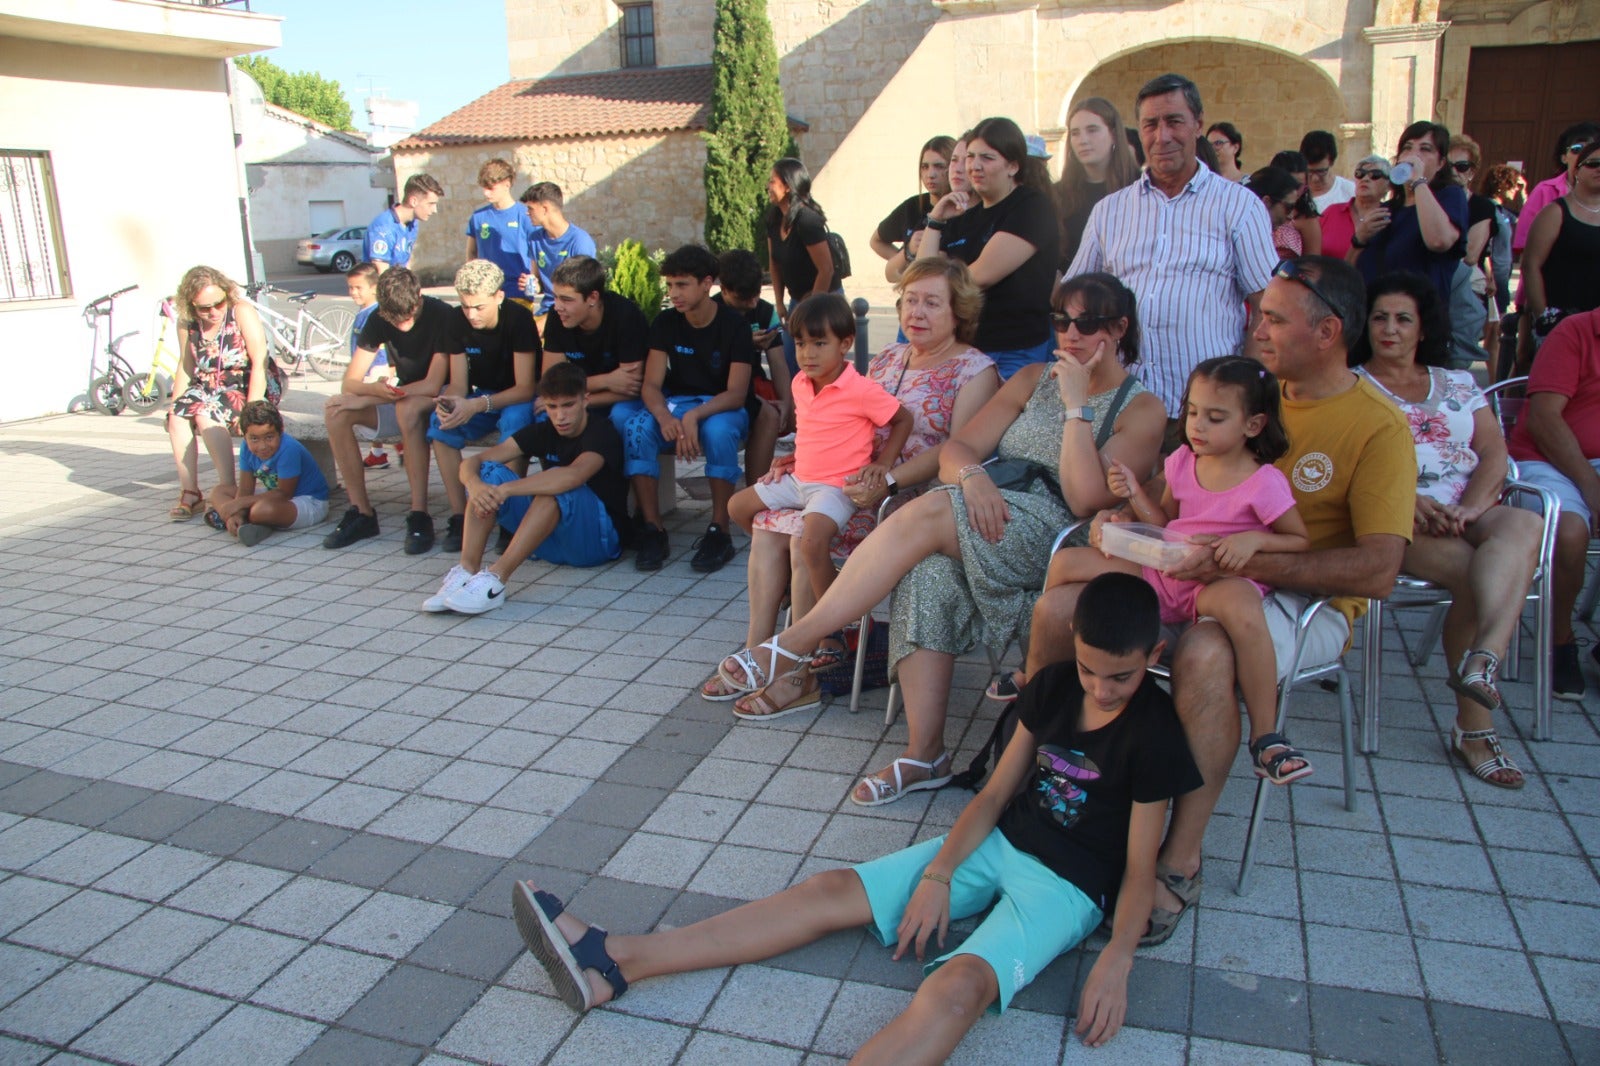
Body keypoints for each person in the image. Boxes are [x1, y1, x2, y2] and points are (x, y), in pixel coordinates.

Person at [514, 572, 1200, 1058]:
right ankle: (616, 960)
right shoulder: (1052, 686)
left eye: (1122, 677)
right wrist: (938, 873)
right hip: (1003, 843)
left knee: (959, 987)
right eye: (1090, 670)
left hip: (1071, 886)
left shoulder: (1154, 731)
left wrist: (1117, 957)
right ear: (1073, 646)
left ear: (1154, 659)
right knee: (830, 889)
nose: (1102, 689)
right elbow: (992, 797)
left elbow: (1141, 865)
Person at [1023, 256, 1413, 944]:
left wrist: (1246, 558)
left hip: (1297, 599)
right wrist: (1134, 524)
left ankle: (1178, 858)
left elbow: (1378, 571)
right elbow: (1176, 501)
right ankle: (1057, 792)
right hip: (1189, 572)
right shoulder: (1236, 389)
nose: (1255, 324)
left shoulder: (1378, 427)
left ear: (1326, 332)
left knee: (1205, 649)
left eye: (1274, 317)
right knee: (1061, 610)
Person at [715, 272, 1165, 806]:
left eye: (1085, 323)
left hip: (1055, 533)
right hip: (989, 506)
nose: (1068, 333)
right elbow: (960, 448)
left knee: (930, 511)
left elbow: (1087, 497)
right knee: (927, 576)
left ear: (1118, 328)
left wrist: (1075, 407)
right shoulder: (1031, 379)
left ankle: (794, 644)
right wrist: (973, 478)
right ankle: (926, 752)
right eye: (1060, 320)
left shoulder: (1142, 409)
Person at [702, 257, 999, 701]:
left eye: (932, 303)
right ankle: (758, 650)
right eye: (910, 300)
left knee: (805, 536)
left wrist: (890, 480)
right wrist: (801, 459)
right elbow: (837, 417)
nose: (916, 312)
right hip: (845, 483)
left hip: (913, 503)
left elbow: (959, 448)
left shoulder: (976, 371)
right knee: (768, 525)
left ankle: (797, 671)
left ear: (960, 310)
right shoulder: (890, 358)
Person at [1043, 357, 1313, 784]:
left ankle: (1266, 736)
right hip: (1164, 569)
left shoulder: (1263, 482)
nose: (1197, 426)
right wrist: (1134, 494)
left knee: (1244, 606)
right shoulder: (1184, 460)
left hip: (1214, 581)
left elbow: (1299, 542)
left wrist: (1253, 539)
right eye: (1192, 413)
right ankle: (1035, 676)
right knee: (1066, 562)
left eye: (1215, 417)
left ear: (1254, 425)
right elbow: (1165, 521)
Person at [1352, 272, 1542, 785]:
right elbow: (1349, 468)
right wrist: (1407, 500)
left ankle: (1483, 659)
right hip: (1401, 519)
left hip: (1470, 508)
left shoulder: (1457, 381)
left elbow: (1494, 453)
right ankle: (1474, 728)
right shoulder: (1351, 388)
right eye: (1379, 318)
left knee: (1524, 522)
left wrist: (1473, 509)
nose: (1390, 329)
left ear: (1422, 327)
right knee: (1477, 577)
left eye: (1402, 319)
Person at [719, 295, 913, 713]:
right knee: (738, 507)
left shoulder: (859, 388)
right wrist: (792, 458)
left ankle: (833, 628)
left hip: (837, 488)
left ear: (845, 344)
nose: (807, 353)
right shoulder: (799, 383)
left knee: (810, 542)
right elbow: (812, 432)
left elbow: (902, 420)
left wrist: (882, 464)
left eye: (819, 343)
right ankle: (790, 590)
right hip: (800, 477)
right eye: (801, 343)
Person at [1070, 74, 1277, 430]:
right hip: (1119, 407)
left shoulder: (1238, 206)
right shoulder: (1109, 211)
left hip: (1202, 412)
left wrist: (1245, 387)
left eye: (1174, 121)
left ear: (1198, 124)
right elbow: (1074, 299)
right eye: (1150, 124)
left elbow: (1268, 305)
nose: (1162, 136)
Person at [422, 363, 627, 614]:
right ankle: (466, 571)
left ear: (585, 400)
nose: (560, 416)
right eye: (552, 407)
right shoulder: (543, 431)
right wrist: (475, 486)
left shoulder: (601, 431)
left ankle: (495, 580)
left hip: (595, 543)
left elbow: (573, 476)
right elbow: (472, 463)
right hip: (550, 543)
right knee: (487, 473)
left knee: (555, 483)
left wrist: (507, 490)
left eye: (568, 405)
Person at [614, 244, 753, 573]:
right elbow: (650, 385)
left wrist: (694, 416)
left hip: (719, 407)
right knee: (636, 427)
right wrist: (664, 416)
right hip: (676, 405)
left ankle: (720, 530)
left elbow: (736, 393)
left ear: (707, 284)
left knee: (718, 432)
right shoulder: (665, 323)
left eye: (682, 284)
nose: (673, 293)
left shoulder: (734, 326)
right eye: (670, 285)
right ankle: (653, 528)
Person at [919, 116, 1061, 380]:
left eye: (987, 158)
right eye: (970, 157)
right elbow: (923, 275)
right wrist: (936, 220)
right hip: (969, 350)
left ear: (1013, 166)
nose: (974, 166)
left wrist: (934, 289)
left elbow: (980, 276)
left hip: (1015, 352)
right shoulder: (967, 215)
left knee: (996, 422)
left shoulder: (1030, 207)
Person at [322, 267, 453, 552]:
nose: (403, 325)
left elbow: (432, 384)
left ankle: (419, 513)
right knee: (336, 412)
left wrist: (372, 398)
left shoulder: (442, 314)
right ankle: (362, 512)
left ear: (419, 298)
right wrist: (372, 391)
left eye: (408, 316)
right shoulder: (378, 317)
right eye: (395, 319)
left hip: (439, 396)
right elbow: (350, 381)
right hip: (400, 394)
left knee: (407, 409)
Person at [1506, 307, 1600, 700]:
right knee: (1571, 529)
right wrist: (1592, 487)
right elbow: (1544, 420)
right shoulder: (1577, 332)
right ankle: (1560, 639)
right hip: (1544, 458)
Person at [428, 260, 541, 554]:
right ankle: (459, 514)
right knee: (438, 425)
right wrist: (450, 402)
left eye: (478, 307)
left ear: (498, 297)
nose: (471, 314)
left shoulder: (518, 319)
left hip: (515, 396)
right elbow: (458, 385)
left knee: (515, 423)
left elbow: (526, 387)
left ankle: (509, 519)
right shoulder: (455, 320)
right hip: (483, 397)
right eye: (465, 306)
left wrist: (477, 404)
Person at [166, 265, 285, 521]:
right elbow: (186, 366)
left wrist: (252, 409)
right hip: (208, 384)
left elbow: (260, 359)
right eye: (204, 308)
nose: (213, 312)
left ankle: (228, 486)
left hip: (245, 380)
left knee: (205, 414)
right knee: (177, 416)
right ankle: (190, 492)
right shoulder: (187, 323)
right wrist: (175, 404)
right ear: (191, 305)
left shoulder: (240, 310)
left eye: (218, 304)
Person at [1352, 121, 1468, 320]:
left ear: (1441, 163)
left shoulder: (1449, 197)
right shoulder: (1387, 210)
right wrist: (1358, 240)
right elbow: (1352, 271)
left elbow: (1439, 241)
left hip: (1420, 322)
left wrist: (1418, 182)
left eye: (1425, 149)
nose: (1413, 155)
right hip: (1375, 319)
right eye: (1407, 148)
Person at [1519, 138, 1600, 368]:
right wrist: (1544, 316)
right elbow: (1530, 265)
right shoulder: (1555, 212)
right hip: (1562, 323)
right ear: (1577, 170)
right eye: (1594, 163)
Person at [205, 400, 330, 547]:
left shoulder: (289, 449)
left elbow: (284, 493)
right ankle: (239, 521)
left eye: (269, 437)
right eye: (254, 439)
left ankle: (244, 520)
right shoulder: (246, 448)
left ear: (280, 431)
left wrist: (238, 504)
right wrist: (236, 513)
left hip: (309, 501)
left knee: (261, 510)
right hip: (274, 496)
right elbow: (246, 489)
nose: (262, 446)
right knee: (219, 491)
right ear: (244, 436)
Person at [714, 248, 792, 482]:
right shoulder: (712, 310)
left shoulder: (764, 311)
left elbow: (778, 363)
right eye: (743, 298)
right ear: (724, 289)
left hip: (754, 382)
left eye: (756, 295)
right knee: (765, 415)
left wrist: (787, 401)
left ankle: (766, 487)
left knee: (797, 410)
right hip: (719, 384)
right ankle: (754, 488)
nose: (752, 302)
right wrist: (743, 343)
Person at [539, 255, 649, 411]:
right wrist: (606, 381)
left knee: (621, 415)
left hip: (621, 398)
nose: (557, 306)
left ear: (592, 297)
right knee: (543, 413)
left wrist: (573, 401)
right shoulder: (557, 316)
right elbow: (550, 384)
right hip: (583, 393)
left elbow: (631, 388)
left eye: (566, 299)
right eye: (555, 297)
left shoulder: (626, 316)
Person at [1054, 98, 1139, 273]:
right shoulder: (1057, 194)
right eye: (1075, 133)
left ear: (1114, 134)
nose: (1082, 140)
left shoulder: (1140, 187)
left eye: (1092, 130)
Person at [765, 157, 839, 333]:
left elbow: (826, 269)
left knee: (817, 355)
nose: (768, 186)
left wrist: (811, 310)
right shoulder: (773, 219)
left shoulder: (807, 220)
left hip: (823, 297)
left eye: (772, 182)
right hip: (797, 300)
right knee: (792, 355)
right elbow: (774, 263)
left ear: (788, 186)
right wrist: (779, 302)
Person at [1512, 121, 1600, 258]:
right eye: (1577, 148)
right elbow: (1526, 247)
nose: (1584, 154)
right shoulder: (1545, 191)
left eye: (1591, 149)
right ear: (1564, 157)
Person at [869, 136, 955, 264]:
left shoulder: (962, 208)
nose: (930, 174)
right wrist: (908, 260)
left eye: (939, 166)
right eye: (925, 167)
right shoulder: (911, 207)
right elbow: (876, 241)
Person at [518, 182, 597, 317]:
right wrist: (534, 286)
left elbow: (584, 292)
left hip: (572, 313)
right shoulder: (535, 239)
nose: (527, 213)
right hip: (547, 309)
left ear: (545, 209)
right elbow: (537, 281)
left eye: (530, 208)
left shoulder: (579, 241)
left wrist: (550, 320)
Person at [345, 263, 395, 470]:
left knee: (375, 409)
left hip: (376, 368)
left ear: (374, 287)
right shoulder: (363, 311)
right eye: (350, 287)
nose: (354, 292)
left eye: (359, 288)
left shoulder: (376, 313)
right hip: (365, 369)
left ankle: (396, 447)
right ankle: (378, 452)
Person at [464, 159, 533, 304]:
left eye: (491, 188)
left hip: (518, 293)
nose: (486, 193)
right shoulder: (478, 217)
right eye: (484, 188)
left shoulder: (525, 216)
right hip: (487, 293)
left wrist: (532, 286)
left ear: (506, 184)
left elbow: (536, 254)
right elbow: (471, 253)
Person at [364, 174, 443, 274]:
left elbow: (404, 263)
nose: (434, 210)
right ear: (413, 201)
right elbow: (381, 274)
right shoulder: (384, 227)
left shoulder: (413, 224)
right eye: (431, 204)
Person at [1322, 155, 1389, 261]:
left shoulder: (1390, 217)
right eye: (1360, 174)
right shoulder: (1332, 211)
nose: (1365, 179)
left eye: (1375, 175)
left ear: (1388, 185)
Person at [1480, 163, 1525, 320]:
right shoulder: (1487, 208)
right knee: (1493, 324)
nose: (1516, 188)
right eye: (1513, 184)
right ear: (1501, 185)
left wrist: (1523, 193)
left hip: (1503, 275)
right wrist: (1489, 277)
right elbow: (1485, 245)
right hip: (1493, 276)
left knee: (1498, 323)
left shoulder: (1503, 211)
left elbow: (1528, 219)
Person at [1268, 151, 1323, 258]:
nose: (1293, 191)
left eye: (1298, 186)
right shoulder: (1256, 208)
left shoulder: (1306, 220)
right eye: (1288, 185)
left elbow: (1312, 264)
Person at [1246, 166, 1308, 258]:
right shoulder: (1282, 242)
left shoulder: (1285, 240)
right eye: (1288, 207)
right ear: (1266, 202)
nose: (1291, 216)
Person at [1302, 129, 1355, 211]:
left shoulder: (1350, 193)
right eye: (1309, 172)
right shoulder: (1293, 194)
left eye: (1321, 171)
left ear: (1332, 162)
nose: (1315, 178)